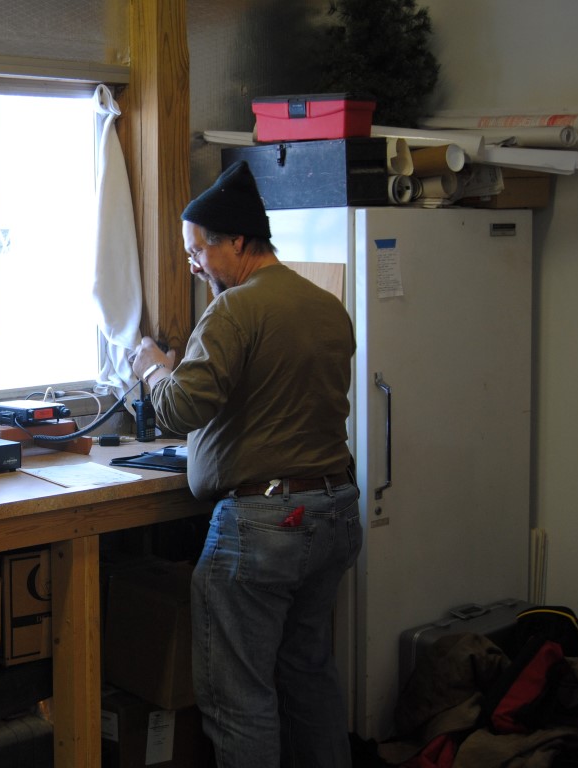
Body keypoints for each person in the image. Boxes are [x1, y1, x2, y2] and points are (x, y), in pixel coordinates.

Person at [130, 161, 362, 768]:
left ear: (236, 241)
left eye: (197, 251)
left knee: (240, 699)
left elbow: (180, 409)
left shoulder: (235, 311)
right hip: (334, 510)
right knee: (308, 675)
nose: (194, 264)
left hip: (265, 526)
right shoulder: (326, 305)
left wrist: (152, 367)